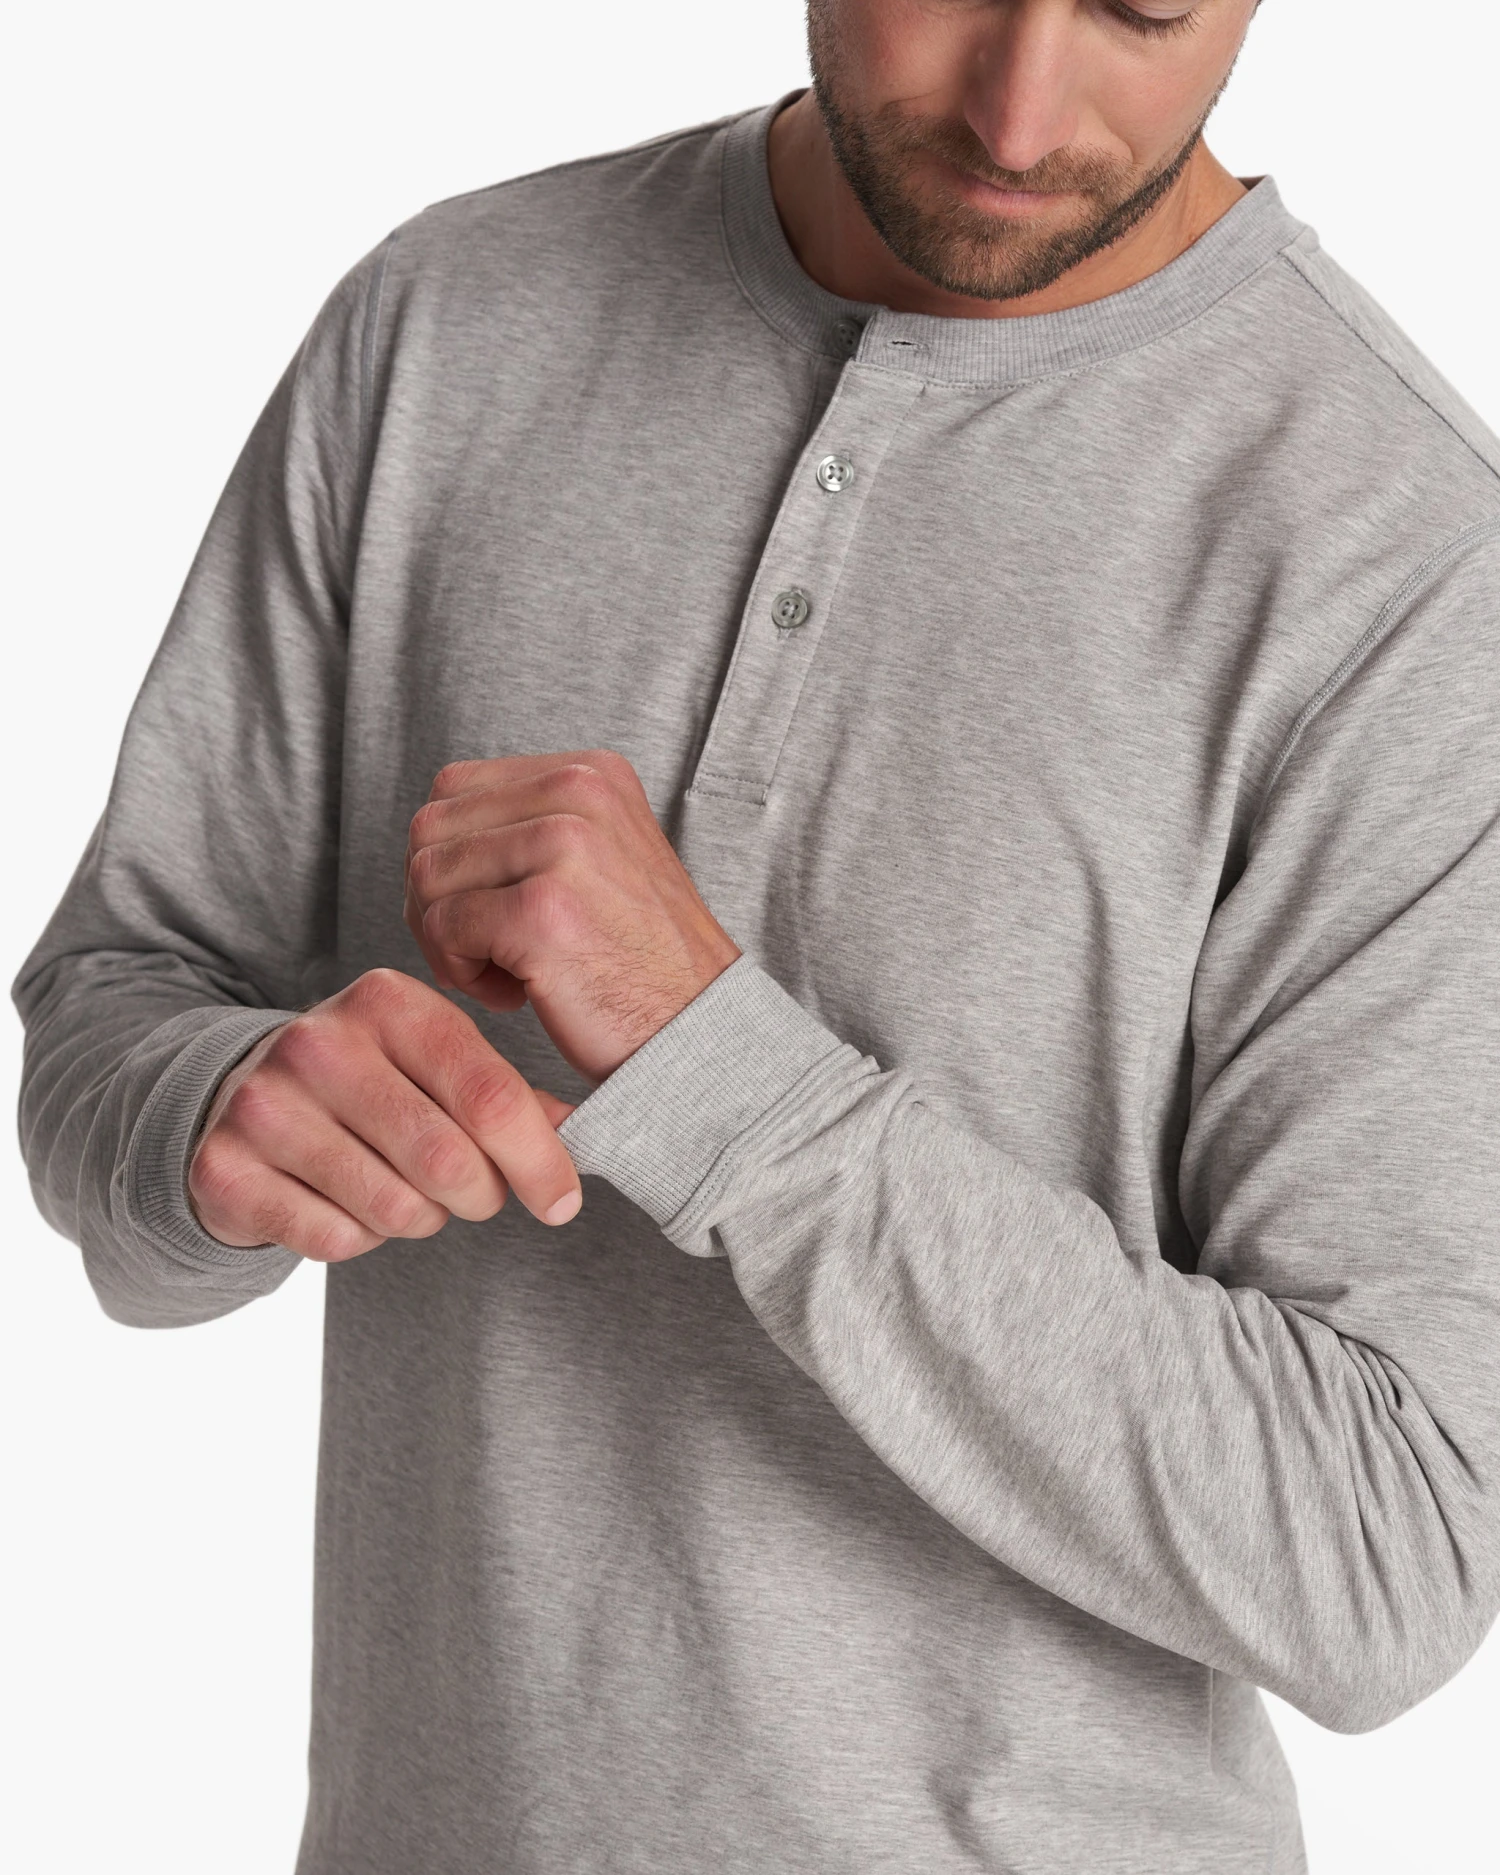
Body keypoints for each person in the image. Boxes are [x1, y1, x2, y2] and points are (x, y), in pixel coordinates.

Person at [16, 0, 1500, 1868]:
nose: (1019, 112)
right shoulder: (445, 322)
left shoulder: (1404, 560)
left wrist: (723, 1067)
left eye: (1140, 7)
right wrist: (206, 1123)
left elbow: (1382, 1552)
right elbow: (116, 1012)